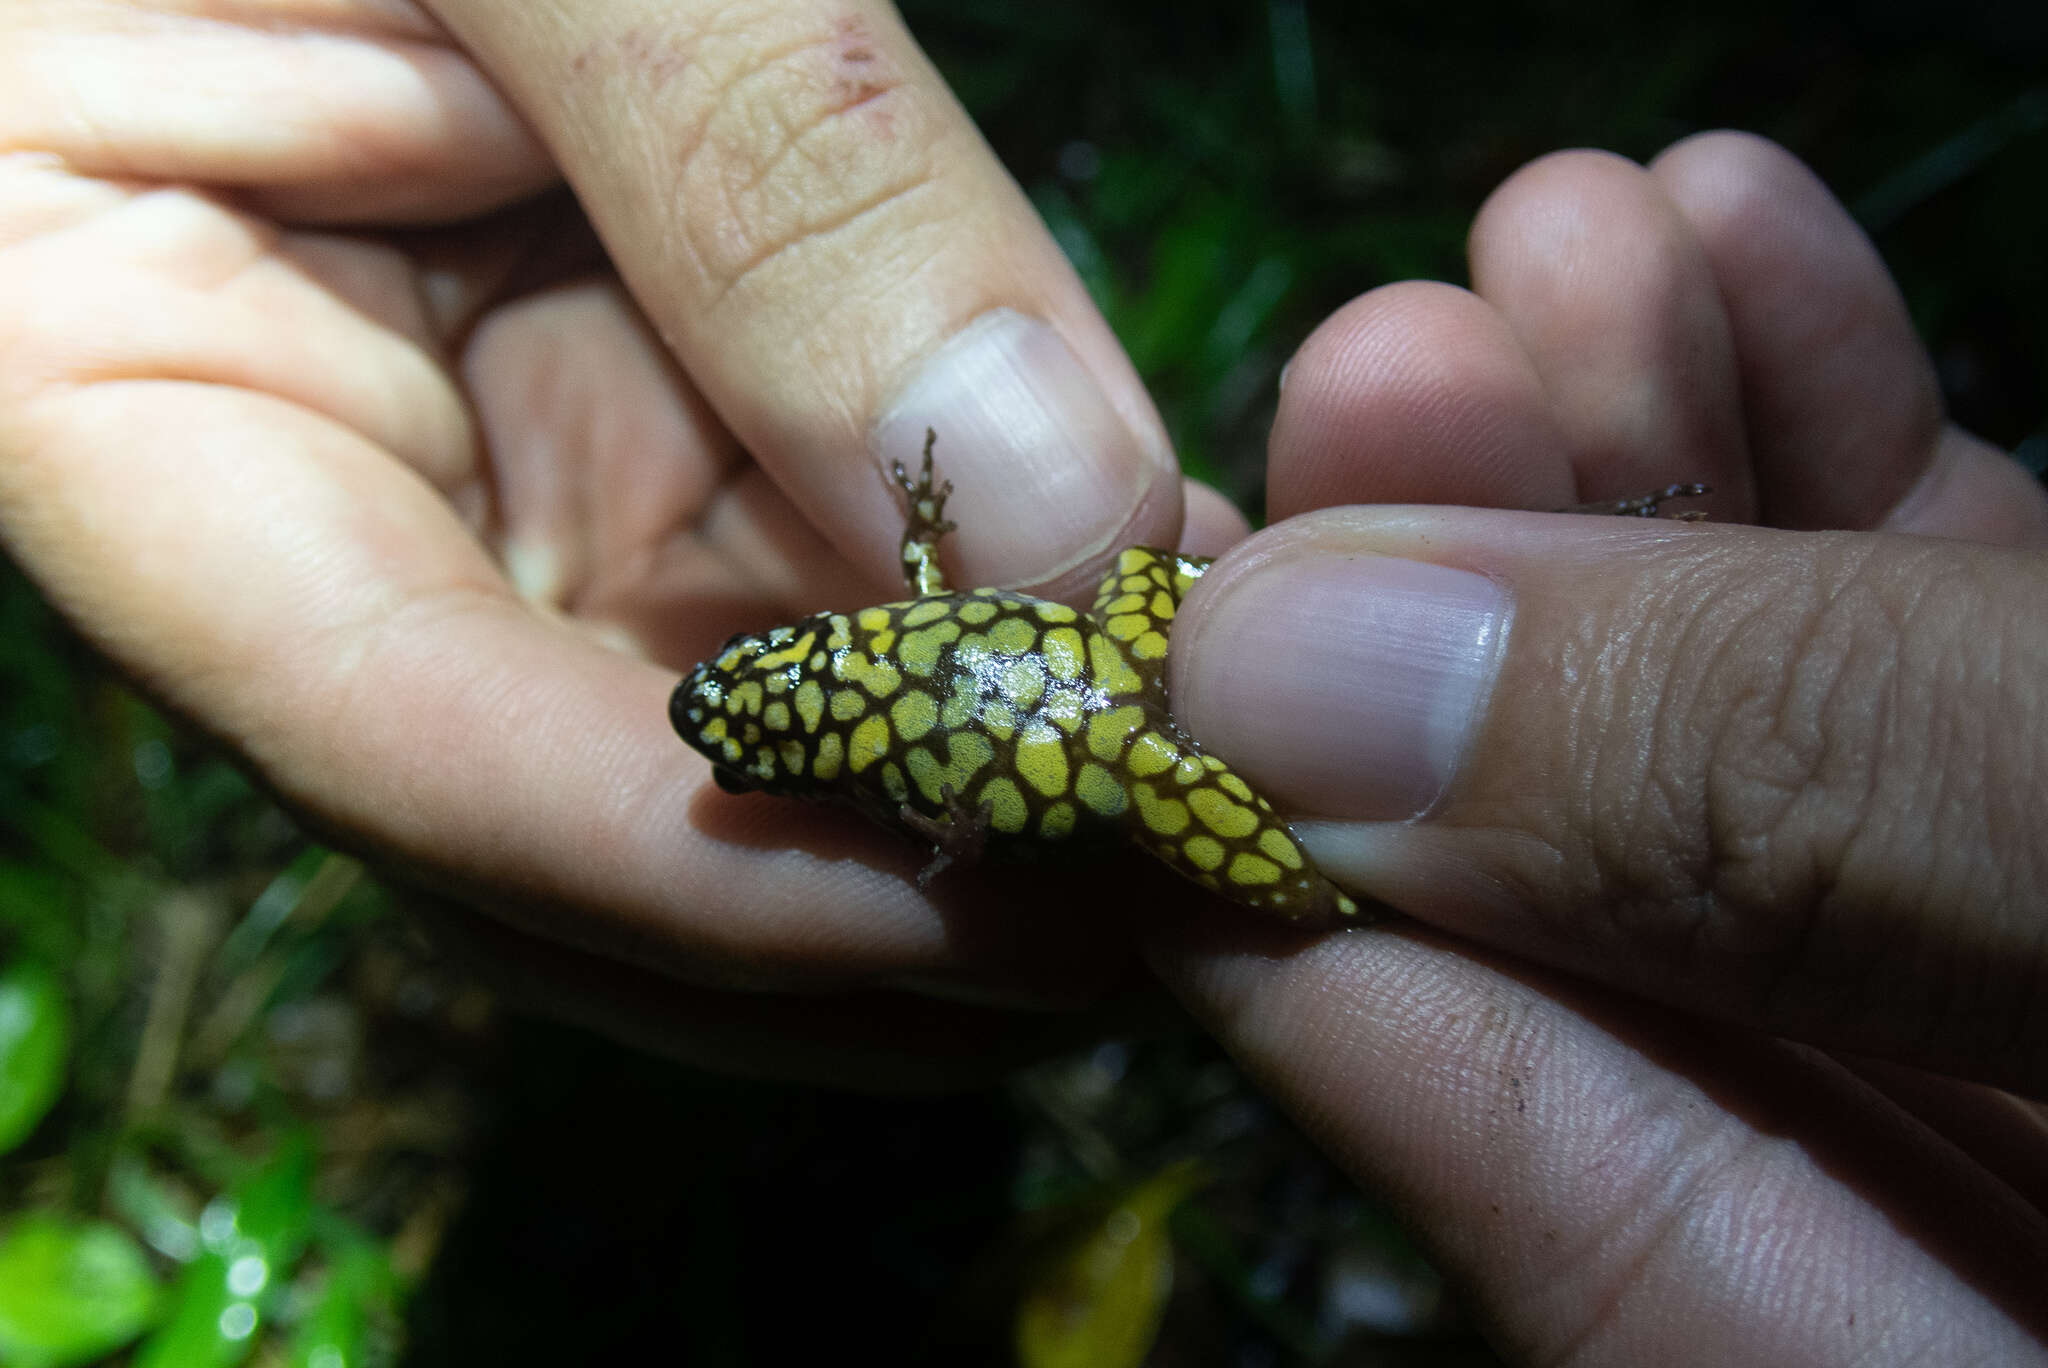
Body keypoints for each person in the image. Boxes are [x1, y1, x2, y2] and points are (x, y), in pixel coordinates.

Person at [1, 3, 2041, 1360]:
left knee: (1386, 602)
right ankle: (1634, 580)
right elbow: (915, 652)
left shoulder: (869, 707)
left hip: (1158, 700)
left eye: (761, 683)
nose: (756, 685)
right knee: (1374, 684)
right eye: (760, 694)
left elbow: (919, 669)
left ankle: (1633, 572)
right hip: (1155, 723)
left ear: (807, 675)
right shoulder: (867, 688)